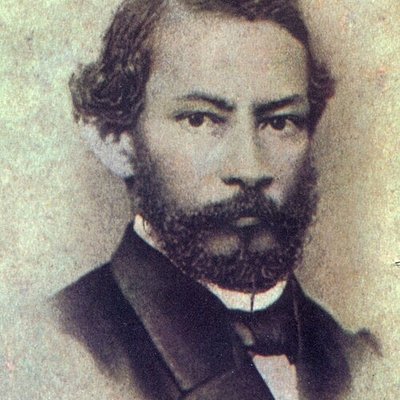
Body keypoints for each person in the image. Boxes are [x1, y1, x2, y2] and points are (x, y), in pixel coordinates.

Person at [54, 0, 378, 399]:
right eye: (200, 119)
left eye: (280, 122)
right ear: (116, 140)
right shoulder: (60, 348)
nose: (249, 169)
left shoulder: (364, 363)